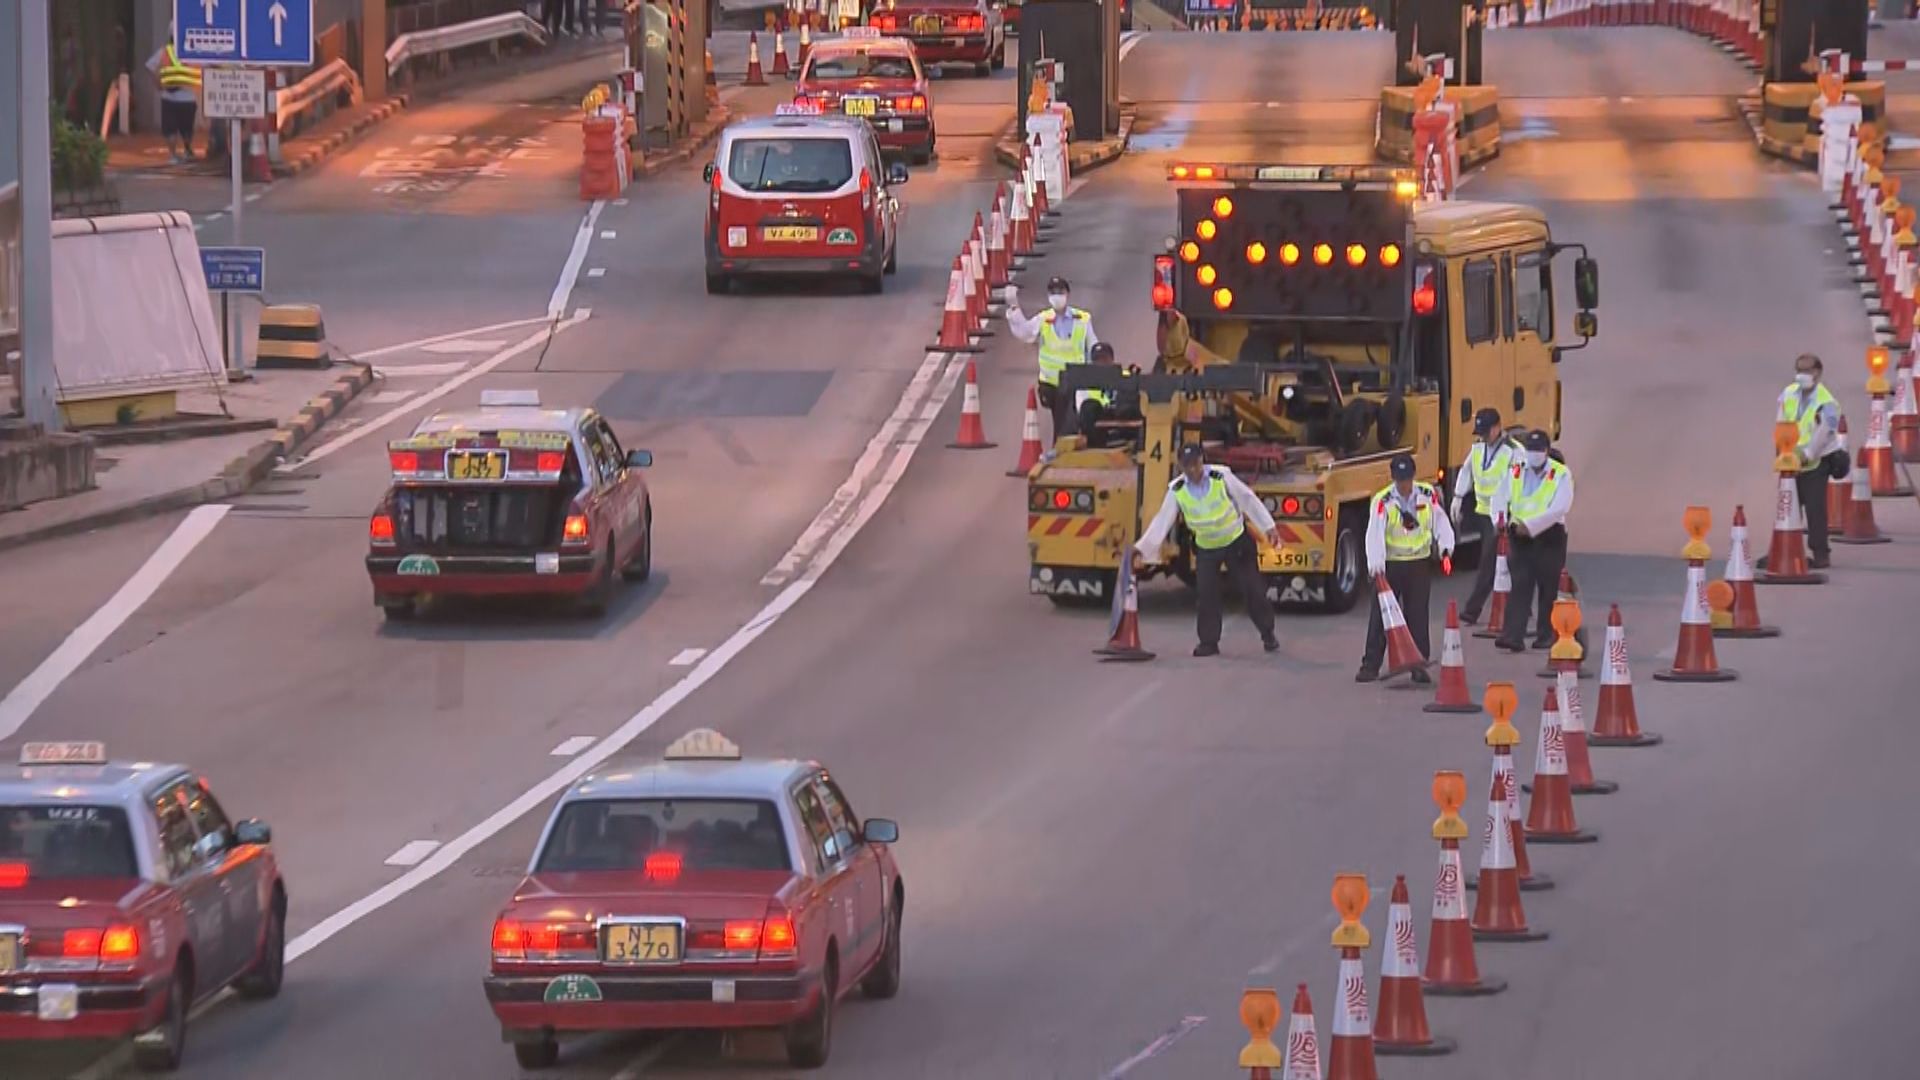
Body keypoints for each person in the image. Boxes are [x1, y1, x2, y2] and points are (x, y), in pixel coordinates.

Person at [1133, 444, 1281, 657]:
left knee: (1253, 590)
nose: (1192, 471)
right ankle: (1209, 642)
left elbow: (1247, 498)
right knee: (1207, 596)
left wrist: (1268, 526)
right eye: (1187, 467)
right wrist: (1142, 549)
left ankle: (1268, 634)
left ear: (1202, 460)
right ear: (1180, 467)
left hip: (1235, 543)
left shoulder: (1221, 476)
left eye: (1195, 464)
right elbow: (1162, 521)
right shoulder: (1177, 490)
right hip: (1207, 548)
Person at [1359, 453, 1455, 683]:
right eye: (1400, 480)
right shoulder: (1383, 501)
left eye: (1408, 479)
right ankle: (1370, 665)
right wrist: (1376, 566)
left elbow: (1440, 521)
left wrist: (1445, 548)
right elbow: (1374, 534)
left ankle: (1419, 664)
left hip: (1419, 564)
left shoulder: (1427, 494)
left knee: (1418, 615)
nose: (1404, 485)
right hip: (1391, 565)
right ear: (1393, 478)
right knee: (1381, 617)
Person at [1491, 430, 1574, 653]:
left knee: (1548, 588)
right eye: (1530, 450)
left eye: (1538, 450)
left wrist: (1532, 526)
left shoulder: (1560, 474)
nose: (1533, 454)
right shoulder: (1516, 471)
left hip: (1549, 536)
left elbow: (1560, 507)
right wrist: (1499, 519)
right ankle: (1513, 636)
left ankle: (1546, 635)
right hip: (1520, 536)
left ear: (1546, 451)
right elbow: (1499, 496)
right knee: (1520, 584)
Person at [1004, 276, 1099, 443]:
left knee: (1069, 422)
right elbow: (1026, 333)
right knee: (1062, 421)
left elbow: (1093, 347)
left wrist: (1095, 372)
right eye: (1053, 292)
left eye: (1060, 292)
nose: (1057, 296)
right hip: (1050, 384)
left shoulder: (1083, 319)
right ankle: (1060, 449)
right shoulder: (1044, 319)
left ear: (1067, 294)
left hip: (1074, 382)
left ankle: (1061, 449)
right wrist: (1014, 309)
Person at [1449, 408, 1515, 625]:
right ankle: (1519, 610)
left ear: (1498, 428)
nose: (1483, 436)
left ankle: (1471, 611)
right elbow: (1466, 471)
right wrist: (1458, 496)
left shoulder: (1512, 452)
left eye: (1486, 431)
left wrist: (1507, 515)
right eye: (1480, 432)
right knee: (1505, 564)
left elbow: (1518, 483)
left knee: (1489, 564)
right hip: (1483, 514)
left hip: (1504, 518)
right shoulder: (1478, 449)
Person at [1779, 353, 1842, 569]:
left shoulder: (1828, 402)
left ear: (1818, 372)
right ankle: (1784, 551)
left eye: (1807, 370)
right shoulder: (1788, 394)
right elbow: (1780, 423)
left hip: (1816, 462)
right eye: (1799, 370)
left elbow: (1824, 433)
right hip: (1790, 461)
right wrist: (1781, 454)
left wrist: (1807, 456)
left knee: (1815, 509)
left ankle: (1820, 553)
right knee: (1787, 508)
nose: (1802, 375)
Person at [1074, 342, 1139, 448]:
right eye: (1097, 360)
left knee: (1129, 406)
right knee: (1089, 407)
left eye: (1104, 359)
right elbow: (1081, 411)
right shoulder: (1085, 383)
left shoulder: (1123, 375)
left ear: (1112, 360)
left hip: (1122, 419)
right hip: (1098, 423)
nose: (1101, 363)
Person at [150, 37, 201, 162]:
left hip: (169, 96)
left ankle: (173, 155)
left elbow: (153, 70)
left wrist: (158, 86)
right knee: (187, 128)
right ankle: (187, 150)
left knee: (170, 128)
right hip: (189, 97)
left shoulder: (165, 51)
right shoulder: (195, 50)